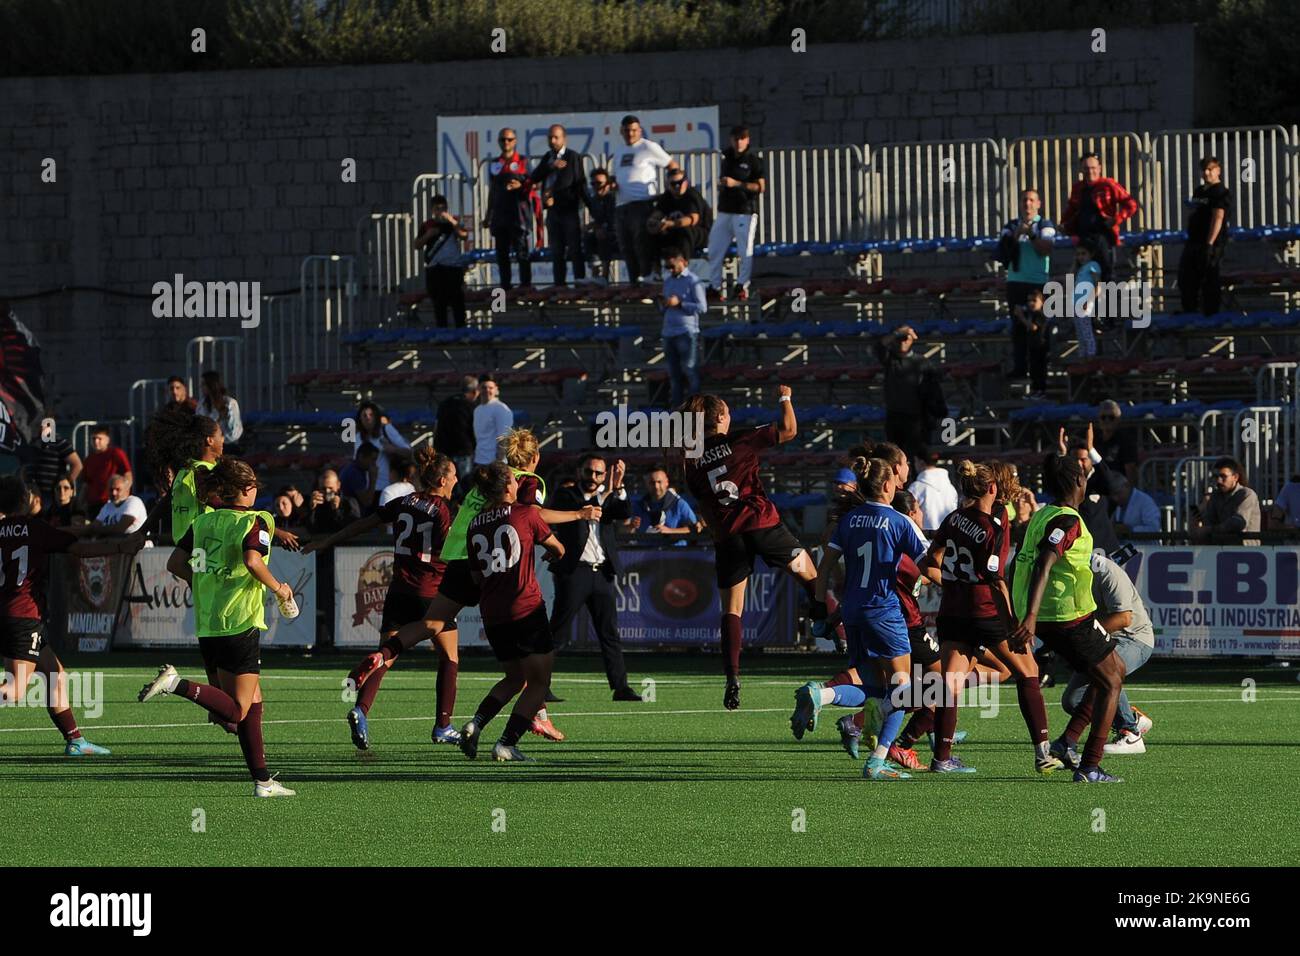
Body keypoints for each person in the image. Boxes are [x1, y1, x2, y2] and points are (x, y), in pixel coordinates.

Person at [380, 428, 598, 743]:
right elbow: (532, 515)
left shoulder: (488, 482)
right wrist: (578, 515)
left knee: (433, 624)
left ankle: (381, 654)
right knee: (530, 669)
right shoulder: (526, 482)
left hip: (461, 561)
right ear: (535, 458)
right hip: (506, 582)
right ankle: (522, 727)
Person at [137, 458, 300, 797]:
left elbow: (175, 563)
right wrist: (280, 588)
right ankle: (176, 683)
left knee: (253, 702)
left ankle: (263, 782)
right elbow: (253, 561)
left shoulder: (204, 522)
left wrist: (204, 581)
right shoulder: (258, 521)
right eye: (255, 485)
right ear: (244, 489)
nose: (258, 491)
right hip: (240, 621)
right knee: (239, 710)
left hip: (208, 623)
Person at [305, 450, 461, 748]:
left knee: (388, 655)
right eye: (453, 474)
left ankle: (360, 710)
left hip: (398, 590)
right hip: (431, 592)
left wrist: (327, 541)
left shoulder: (403, 502)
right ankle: (443, 725)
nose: (456, 479)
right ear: (442, 479)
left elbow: (362, 524)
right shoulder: (443, 509)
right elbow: (447, 549)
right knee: (450, 657)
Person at [680, 388, 823, 709]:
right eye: (727, 411)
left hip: (729, 536)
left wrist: (721, 538)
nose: (731, 416)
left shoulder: (692, 461)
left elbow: (705, 506)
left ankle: (732, 675)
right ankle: (838, 632)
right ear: (719, 417)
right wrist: (786, 397)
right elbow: (789, 430)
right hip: (760, 522)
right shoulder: (741, 441)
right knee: (809, 573)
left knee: (732, 609)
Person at [790, 456, 927, 780]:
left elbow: (824, 567)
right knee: (903, 689)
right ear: (887, 486)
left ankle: (820, 694)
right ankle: (877, 760)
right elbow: (928, 561)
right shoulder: (899, 521)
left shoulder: (849, 521)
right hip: (885, 611)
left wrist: (821, 610)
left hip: (852, 610)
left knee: (874, 686)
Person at [921, 460, 1062, 775]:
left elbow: (930, 560)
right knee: (1028, 672)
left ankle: (941, 759)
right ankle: (1043, 753)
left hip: (953, 613)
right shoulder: (992, 527)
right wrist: (1013, 621)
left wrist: (955, 584)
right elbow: (997, 579)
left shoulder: (954, 518)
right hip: (986, 612)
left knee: (950, 685)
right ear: (992, 488)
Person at [0, 475, 141, 756]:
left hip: (10, 614)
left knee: (55, 674)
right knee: (15, 689)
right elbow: (79, 549)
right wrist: (119, 547)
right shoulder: (34, 528)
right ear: (25, 500)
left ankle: (75, 740)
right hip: (23, 614)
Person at [1011, 454, 1129, 783]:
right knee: (1112, 680)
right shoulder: (1067, 522)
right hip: (1066, 616)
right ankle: (1090, 766)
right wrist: (1031, 616)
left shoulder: (1041, 515)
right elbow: (1044, 562)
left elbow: (1020, 562)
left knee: (1114, 670)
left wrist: (1020, 613)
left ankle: (1067, 743)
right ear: (1079, 481)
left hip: (1052, 616)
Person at [457, 463, 566, 762]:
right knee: (538, 683)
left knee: (513, 678)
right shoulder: (526, 513)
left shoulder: (475, 523)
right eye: (515, 480)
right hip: (526, 608)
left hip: (493, 612)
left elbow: (477, 577)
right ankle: (506, 743)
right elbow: (559, 548)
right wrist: (551, 552)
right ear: (507, 486)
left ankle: (475, 724)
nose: (519, 483)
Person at [547, 455, 641, 701]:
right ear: (580, 471)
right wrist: (608, 489)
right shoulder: (567, 495)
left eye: (599, 473)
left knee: (609, 633)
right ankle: (540, 685)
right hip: (575, 571)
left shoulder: (608, 495)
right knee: (558, 631)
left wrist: (618, 487)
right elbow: (584, 508)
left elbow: (624, 510)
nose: (594, 478)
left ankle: (620, 687)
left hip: (602, 572)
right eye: (589, 472)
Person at [1055, 552, 1155, 760]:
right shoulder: (1065, 572)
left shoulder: (1107, 572)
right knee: (1073, 701)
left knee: (1105, 676)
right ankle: (1132, 718)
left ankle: (1131, 733)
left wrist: (1084, 640)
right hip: (1099, 641)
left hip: (1134, 639)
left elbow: (1123, 618)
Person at [997, 188, 1057, 379]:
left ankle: (1040, 372)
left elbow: (1046, 249)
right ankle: (1020, 368)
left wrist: (1030, 234)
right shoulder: (1011, 225)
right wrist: (1017, 234)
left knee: (1038, 328)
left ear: (1038, 204)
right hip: (1016, 282)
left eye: (1031, 200)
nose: (1027, 204)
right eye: (1024, 200)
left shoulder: (1044, 225)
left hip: (1037, 283)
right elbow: (1004, 251)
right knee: (1018, 326)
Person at [611, 115, 678, 284]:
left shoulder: (648, 147)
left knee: (641, 241)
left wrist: (672, 186)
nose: (630, 134)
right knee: (626, 245)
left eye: (634, 130)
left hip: (641, 202)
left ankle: (648, 275)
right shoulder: (618, 151)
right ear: (621, 131)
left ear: (640, 130)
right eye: (627, 130)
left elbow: (672, 165)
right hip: (621, 204)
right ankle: (634, 280)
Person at [525, 125, 593, 285]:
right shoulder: (548, 157)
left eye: (556, 137)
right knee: (557, 251)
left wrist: (590, 207)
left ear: (564, 139)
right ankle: (559, 284)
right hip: (553, 212)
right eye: (550, 138)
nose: (553, 141)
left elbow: (578, 184)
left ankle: (579, 281)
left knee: (575, 249)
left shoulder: (572, 157)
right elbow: (534, 177)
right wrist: (551, 166)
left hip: (568, 210)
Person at [1059, 152, 1139, 281]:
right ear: (1081, 170)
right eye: (1086, 168)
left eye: (1093, 168)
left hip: (1104, 237)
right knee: (1083, 275)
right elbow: (1071, 209)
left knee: (1106, 275)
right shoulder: (1077, 188)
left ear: (1099, 168)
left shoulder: (1109, 185)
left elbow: (1131, 205)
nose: (1090, 172)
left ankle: (1107, 300)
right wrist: (1064, 224)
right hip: (1083, 237)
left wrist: (1117, 219)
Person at [708, 125, 766, 302]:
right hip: (725, 210)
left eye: (742, 138)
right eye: (735, 138)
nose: (738, 142)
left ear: (747, 140)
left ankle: (742, 285)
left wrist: (737, 184)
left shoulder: (753, 160)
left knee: (744, 249)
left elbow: (760, 187)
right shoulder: (727, 158)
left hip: (744, 211)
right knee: (714, 248)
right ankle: (714, 286)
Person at [875, 325, 946, 464]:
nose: (902, 342)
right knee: (894, 458)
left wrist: (935, 414)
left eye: (906, 339)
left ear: (912, 340)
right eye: (899, 339)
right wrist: (898, 332)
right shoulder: (891, 360)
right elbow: (879, 346)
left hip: (917, 419)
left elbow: (934, 391)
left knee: (916, 458)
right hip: (894, 418)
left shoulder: (922, 362)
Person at [481, 128, 535, 289]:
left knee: (522, 253)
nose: (506, 142)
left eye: (509, 139)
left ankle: (525, 285)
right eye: (503, 140)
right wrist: (488, 214)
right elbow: (492, 191)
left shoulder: (523, 162)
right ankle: (505, 286)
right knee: (502, 254)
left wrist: (521, 185)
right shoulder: (495, 164)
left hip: (519, 214)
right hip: (500, 215)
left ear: (515, 141)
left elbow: (534, 183)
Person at [1177, 156, 1230, 316]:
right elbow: (1196, 206)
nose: (1207, 173)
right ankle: (1190, 309)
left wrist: (1210, 243)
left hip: (1210, 242)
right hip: (1194, 240)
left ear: (1218, 171)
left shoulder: (1221, 192)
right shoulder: (1200, 191)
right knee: (1186, 276)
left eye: (1210, 169)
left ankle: (1210, 312)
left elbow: (1218, 217)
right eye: (1204, 170)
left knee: (1209, 277)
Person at [1060, 424, 1122, 554]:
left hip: (1105, 550)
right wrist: (1062, 457)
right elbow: (1056, 486)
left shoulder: (1100, 480)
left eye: (1083, 459)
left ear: (1090, 460)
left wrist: (1091, 449)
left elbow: (1111, 485)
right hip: (1078, 551)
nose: (1079, 464)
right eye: (1075, 459)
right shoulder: (1067, 482)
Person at [413, 194, 469, 327]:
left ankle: (461, 331)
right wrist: (428, 235)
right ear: (432, 210)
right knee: (439, 303)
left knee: (457, 302)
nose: (441, 211)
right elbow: (417, 245)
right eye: (438, 208)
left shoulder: (452, 223)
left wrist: (452, 221)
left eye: (443, 208)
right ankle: (442, 333)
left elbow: (464, 235)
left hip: (453, 267)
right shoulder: (427, 225)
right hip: (435, 268)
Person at [660, 251, 708, 407]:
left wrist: (680, 304)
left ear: (683, 262)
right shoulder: (667, 281)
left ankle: (695, 409)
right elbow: (664, 308)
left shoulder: (694, 281)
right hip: (668, 332)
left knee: (690, 371)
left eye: (672, 266)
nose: (671, 270)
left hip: (686, 332)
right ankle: (677, 410)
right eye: (668, 267)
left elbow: (702, 307)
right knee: (673, 375)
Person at [1191, 457, 1261, 544]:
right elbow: (1207, 523)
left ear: (1235, 477)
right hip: (1221, 550)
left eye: (1223, 476)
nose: (1218, 480)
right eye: (1215, 476)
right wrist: (1201, 512)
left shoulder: (1247, 494)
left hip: (1245, 552)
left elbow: (1237, 523)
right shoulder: (1215, 496)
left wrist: (1209, 530)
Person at [650, 170, 709, 262]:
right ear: (668, 185)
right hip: (675, 232)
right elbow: (657, 214)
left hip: (700, 233)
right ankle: (655, 271)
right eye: (674, 184)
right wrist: (654, 223)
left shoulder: (691, 195)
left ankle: (682, 265)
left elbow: (692, 219)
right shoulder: (666, 197)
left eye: (680, 183)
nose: (677, 186)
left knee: (686, 231)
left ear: (685, 182)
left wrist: (671, 223)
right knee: (652, 235)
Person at [629, 465, 699, 539]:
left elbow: (696, 529)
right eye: (652, 483)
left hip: (675, 549)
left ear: (666, 482)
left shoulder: (679, 504)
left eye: (659, 482)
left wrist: (670, 531)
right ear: (646, 484)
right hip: (644, 549)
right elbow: (623, 530)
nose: (656, 486)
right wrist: (631, 526)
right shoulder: (639, 506)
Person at [354, 400, 410, 492]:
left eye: (371, 415)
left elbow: (408, 451)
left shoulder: (386, 429)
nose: (368, 418)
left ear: (376, 417)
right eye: (364, 415)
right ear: (360, 419)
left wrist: (393, 449)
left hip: (386, 487)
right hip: (366, 488)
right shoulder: (358, 437)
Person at [434, 375, 480, 483]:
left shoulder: (445, 403)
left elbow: (436, 427)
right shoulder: (472, 407)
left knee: (447, 483)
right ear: (474, 391)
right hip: (464, 451)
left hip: (444, 450)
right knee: (465, 483)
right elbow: (474, 430)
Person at [23, 421, 82, 503]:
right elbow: (26, 467)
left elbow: (77, 464)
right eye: (38, 425)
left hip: (52, 494)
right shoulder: (33, 444)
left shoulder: (59, 442)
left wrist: (65, 487)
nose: (40, 428)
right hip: (34, 493)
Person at [80, 426, 132, 511]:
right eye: (93, 438)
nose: (96, 441)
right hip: (93, 504)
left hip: (112, 502)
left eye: (99, 438)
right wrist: (80, 504)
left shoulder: (116, 453)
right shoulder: (88, 459)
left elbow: (128, 475)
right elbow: (86, 485)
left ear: (107, 440)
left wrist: (122, 495)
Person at [907, 450, 958, 532]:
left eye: (915, 461)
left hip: (924, 540)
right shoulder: (951, 488)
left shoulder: (916, 488)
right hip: (948, 539)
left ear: (921, 462)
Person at [584, 167, 619, 281]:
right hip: (603, 232)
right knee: (588, 236)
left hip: (617, 235)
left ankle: (604, 276)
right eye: (593, 184)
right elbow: (599, 219)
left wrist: (601, 227)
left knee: (604, 237)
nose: (596, 187)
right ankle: (595, 271)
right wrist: (592, 226)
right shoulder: (595, 200)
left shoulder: (614, 198)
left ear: (607, 184)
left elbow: (613, 221)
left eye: (599, 183)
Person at [1093, 399, 1139, 484]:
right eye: (1103, 417)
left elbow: (1130, 470)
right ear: (1099, 419)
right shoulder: (1094, 439)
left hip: (1118, 488)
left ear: (1118, 419)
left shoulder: (1125, 441)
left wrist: (1128, 492)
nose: (1107, 420)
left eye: (1111, 417)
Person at [472, 377, 513, 466]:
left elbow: (504, 437)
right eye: (484, 387)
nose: (487, 390)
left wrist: (499, 462)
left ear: (496, 389)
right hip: (479, 460)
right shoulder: (477, 410)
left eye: (490, 388)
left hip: (494, 463)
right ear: (478, 389)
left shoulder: (501, 409)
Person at [1071, 241, 1102, 359]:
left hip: (1085, 305)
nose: (1080, 257)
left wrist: (1088, 301)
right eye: (1078, 254)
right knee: (1080, 334)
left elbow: (1098, 286)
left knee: (1087, 333)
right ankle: (1083, 356)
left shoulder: (1093, 265)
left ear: (1091, 254)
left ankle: (1090, 356)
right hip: (1076, 305)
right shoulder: (1081, 269)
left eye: (1083, 254)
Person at [196, 370, 243, 447]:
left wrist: (219, 439)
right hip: (207, 445)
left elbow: (234, 432)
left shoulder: (230, 403)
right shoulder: (202, 403)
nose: (201, 387)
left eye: (204, 384)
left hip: (228, 446)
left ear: (212, 385)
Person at [307, 468, 360, 535]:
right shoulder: (316, 502)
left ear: (338, 485)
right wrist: (312, 509)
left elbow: (353, 527)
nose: (327, 491)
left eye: (330, 488)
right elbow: (311, 528)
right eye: (323, 488)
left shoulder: (349, 502)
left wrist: (337, 510)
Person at [1021, 287, 1053, 399]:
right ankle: (1035, 390)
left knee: (1040, 370)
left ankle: (1041, 391)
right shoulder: (1031, 314)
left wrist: (1021, 317)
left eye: (1034, 300)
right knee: (1033, 370)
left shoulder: (1040, 314)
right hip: (1033, 346)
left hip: (1041, 347)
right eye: (1029, 301)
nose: (1031, 303)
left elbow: (1034, 327)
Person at [338, 443, 380, 515]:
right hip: (350, 518)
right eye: (372, 459)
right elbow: (367, 502)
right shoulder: (354, 474)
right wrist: (373, 479)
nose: (374, 463)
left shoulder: (355, 469)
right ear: (361, 456)